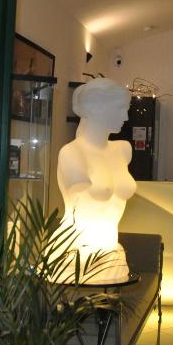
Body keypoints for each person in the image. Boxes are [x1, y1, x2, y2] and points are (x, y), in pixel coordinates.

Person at [57, 78, 135, 283]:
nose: (126, 117)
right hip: (76, 253)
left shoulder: (123, 149)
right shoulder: (72, 153)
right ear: (96, 108)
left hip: (111, 252)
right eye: (120, 109)